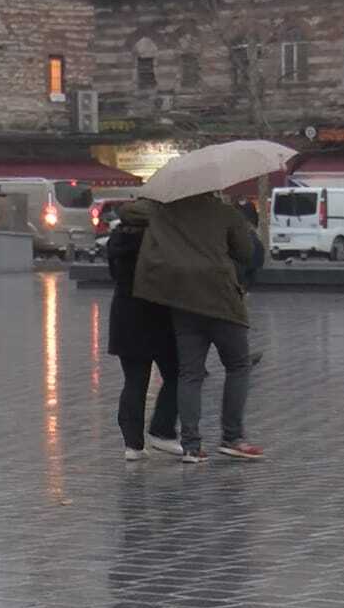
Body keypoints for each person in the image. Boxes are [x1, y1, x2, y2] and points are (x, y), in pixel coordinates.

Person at [133, 192, 266, 463]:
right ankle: (232, 437)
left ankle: (191, 446)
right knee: (239, 366)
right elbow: (246, 251)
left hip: (183, 302)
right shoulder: (225, 213)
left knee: (190, 374)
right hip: (222, 301)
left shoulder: (167, 215)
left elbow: (139, 226)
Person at [107, 201, 181, 461]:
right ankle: (162, 429)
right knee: (177, 374)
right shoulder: (155, 243)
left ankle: (132, 445)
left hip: (124, 316)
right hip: (157, 316)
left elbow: (114, 275)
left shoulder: (116, 240)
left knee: (134, 381)